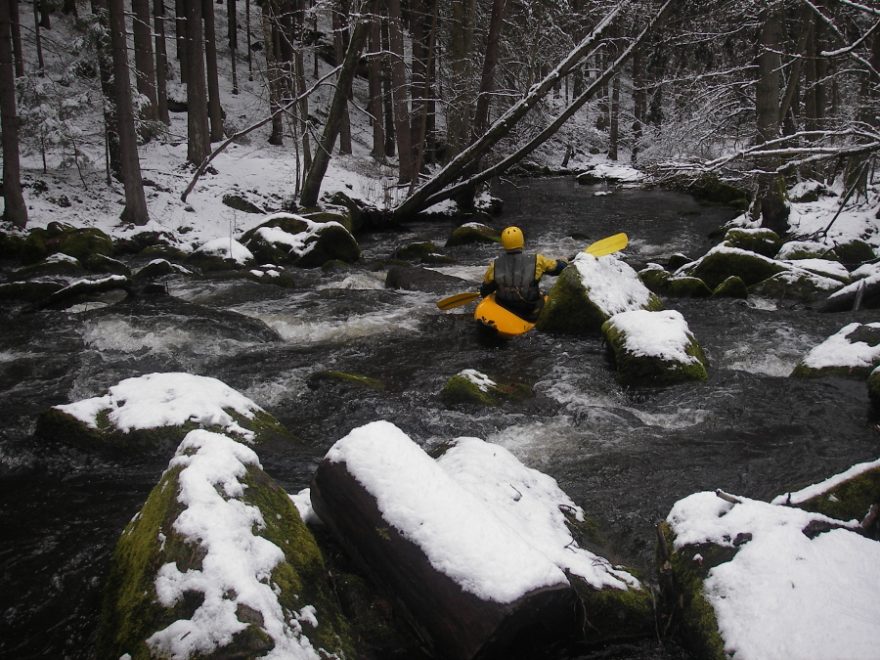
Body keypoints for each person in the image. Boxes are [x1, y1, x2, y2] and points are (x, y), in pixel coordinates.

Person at [479, 226, 568, 320]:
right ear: (522, 241)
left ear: (504, 243)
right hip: (529, 307)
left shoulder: (495, 265)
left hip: (504, 306)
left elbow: (485, 291)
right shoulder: (538, 260)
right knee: (544, 295)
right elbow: (558, 269)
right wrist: (563, 261)